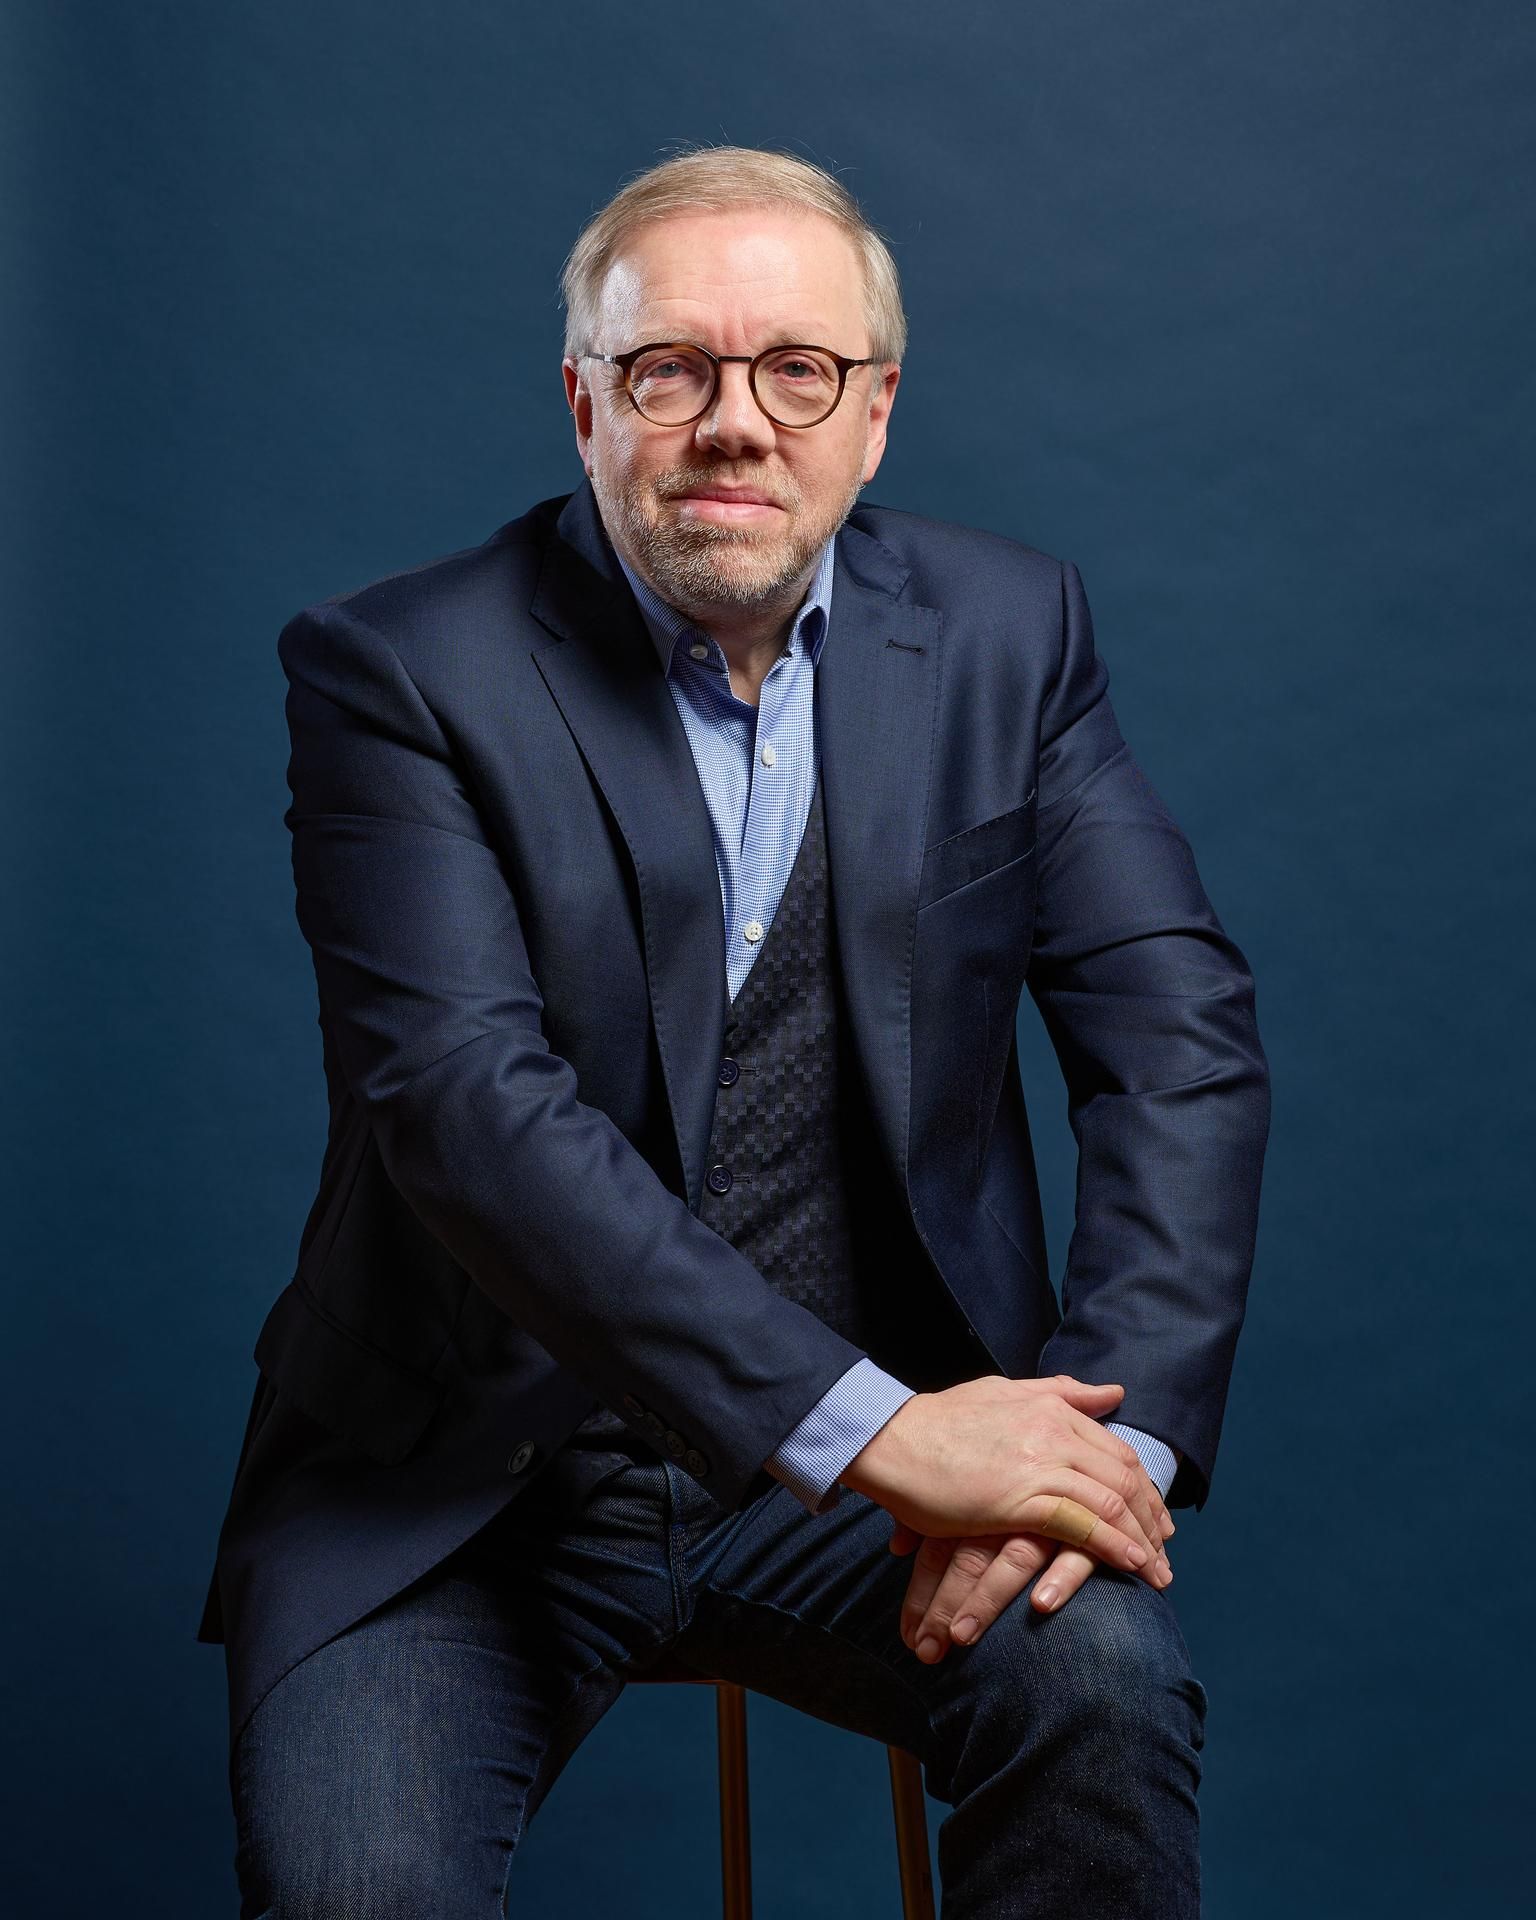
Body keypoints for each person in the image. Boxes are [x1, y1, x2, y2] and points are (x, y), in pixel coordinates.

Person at [196, 143, 1271, 1917]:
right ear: (585, 404)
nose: (735, 422)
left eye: (799, 370)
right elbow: (465, 1105)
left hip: (874, 1500)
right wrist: (878, 1431)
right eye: (670, 368)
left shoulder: (1012, 634)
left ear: (876, 412)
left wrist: (1095, 1455)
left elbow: (1180, 1038)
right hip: (460, 1491)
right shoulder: (397, 672)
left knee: (1101, 1697)